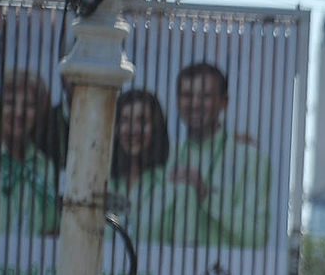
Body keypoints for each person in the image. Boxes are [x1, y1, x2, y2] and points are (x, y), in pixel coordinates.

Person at [165, 61, 274, 247]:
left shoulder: (252, 161)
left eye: (205, 96)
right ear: (177, 100)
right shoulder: (165, 157)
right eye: (187, 95)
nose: (195, 104)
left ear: (224, 102)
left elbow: (257, 236)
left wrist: (206, 195)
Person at [0, 68, 62, 236]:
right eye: (10, 103)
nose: (19, 113)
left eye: (28, 105)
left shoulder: (46, 165)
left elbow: (52, 229)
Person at [109, 88, 171, 245]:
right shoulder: (101, 184)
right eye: (124, 121)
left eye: (141, 121)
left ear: (155, 127)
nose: (132, 130)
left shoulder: (173, 187)